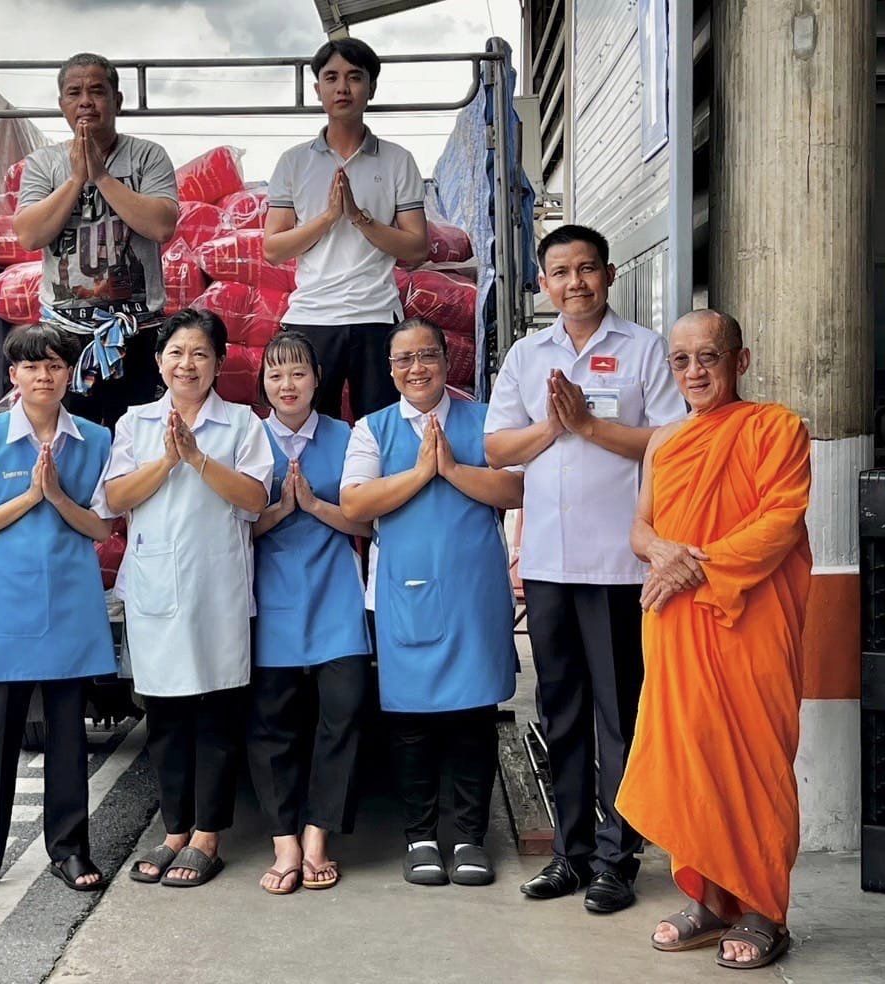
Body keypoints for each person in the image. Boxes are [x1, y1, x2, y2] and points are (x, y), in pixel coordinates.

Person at [484, 223, 686, 914]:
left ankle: (616, 860)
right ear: (544, 283)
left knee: (619, 717)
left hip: (617, 567)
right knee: (560, 711)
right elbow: (496, 447)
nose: (576, 283)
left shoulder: (643, 349)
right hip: (548, 564)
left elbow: (670, 443)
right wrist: (553, 426)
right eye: (562, 272)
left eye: (588, 269)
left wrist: (591, 427)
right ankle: (569, 856)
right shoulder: (526, 355)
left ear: (609, 274)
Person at [619, 310, 811, 970]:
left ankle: (763, 910)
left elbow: (780, 524)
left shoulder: (776, 429)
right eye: (682, 360)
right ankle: (708, 899)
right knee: (691, 755)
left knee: (755, 760)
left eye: (709, 357)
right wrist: (662, 551)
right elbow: (640, 530)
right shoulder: (664, 442)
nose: (695, 371)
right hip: (676, 622)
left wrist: (691, 565)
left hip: (750, 619)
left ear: (740, 360)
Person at [340, 320, 522, 887]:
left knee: (474, 719)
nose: (416, 368)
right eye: (404, 360)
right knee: (410, 722)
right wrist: (422, 472)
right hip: (406, 593)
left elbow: (515, 488)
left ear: (447, 361)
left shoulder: (484, 419)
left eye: (427, 356)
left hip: (473, 593)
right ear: (391, 370)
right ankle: (419, 837)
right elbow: (355, 503)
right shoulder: (372, 429)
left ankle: (469, 837)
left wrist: (453, 470)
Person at [0, 323, 118, 901]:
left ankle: (70, 848)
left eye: (55, 366)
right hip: (5, 605)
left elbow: (101, 528)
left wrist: (59, 496)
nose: (44, 376)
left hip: (70, 602)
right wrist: (30, 497)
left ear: (70, 374)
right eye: (32, 367)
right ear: (13, 375)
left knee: (69, 735)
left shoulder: (94, 440)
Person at [105, 308, 272, 888]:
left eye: (200, 353)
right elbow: (116, 497)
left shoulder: (243, 423)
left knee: (216, 714)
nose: (187, 364)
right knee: (166, 716)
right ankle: (175, 829)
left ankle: (208, 835)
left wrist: (198, 459)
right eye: (176, 353)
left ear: (219, 363)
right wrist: (168, 459)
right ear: (159, 362)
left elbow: (254, 498)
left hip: (217, 588)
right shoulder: (135, 423)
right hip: (156, 586)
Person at [246, 330, 374, 895]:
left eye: (298, 372)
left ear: (319, 379)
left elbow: (367, 521)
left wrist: (316, 506)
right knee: (271, 722)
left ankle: (318, 835)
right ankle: (285, 842)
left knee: (342, 712)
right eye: (275, 374)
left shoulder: (348, 436)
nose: (287, 384)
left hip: (334, 592)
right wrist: (280, 512)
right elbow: (232, 526)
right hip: (270, 593)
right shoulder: (249, 438)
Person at [264, 37, 430, 421]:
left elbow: (417, 248)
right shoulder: (293, 162)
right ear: (317, 89)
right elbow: (273, 249)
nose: (343, 88)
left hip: (377, 316)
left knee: (381, 426)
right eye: (331, 78)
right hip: (312, 316)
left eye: (355, 77)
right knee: (305, 427)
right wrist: (328, 217)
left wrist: (358, 217)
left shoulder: (397, 160)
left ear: (371, 88)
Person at [13, 51, 179, 430]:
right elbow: (29, 235)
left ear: (117, 101)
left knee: (138, 438)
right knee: (68, 437)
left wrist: (101, 176)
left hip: (138, 331)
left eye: (97, 91)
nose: (85, 101)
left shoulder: (147, 156)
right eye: (74, 93)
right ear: (62, 105)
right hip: (65, 335)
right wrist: (76, 178)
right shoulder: (44, 163)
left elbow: (161, 226)